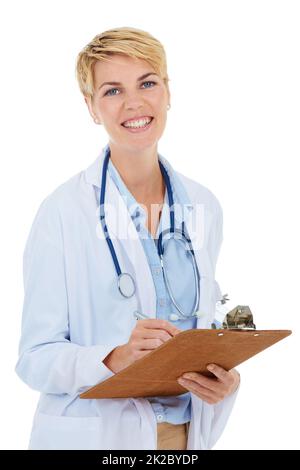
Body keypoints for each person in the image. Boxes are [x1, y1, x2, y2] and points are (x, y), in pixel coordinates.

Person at [15, 26, 240, 450]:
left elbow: (200, 325)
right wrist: (113, 358)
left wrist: (223, 378)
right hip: (98, 438)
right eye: (112, 90)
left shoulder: (203, 206)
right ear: (91, 107)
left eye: (148, 83)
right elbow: (35, 359)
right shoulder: (62, 212)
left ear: (168, 92)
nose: (134, 103)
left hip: (184, 437)